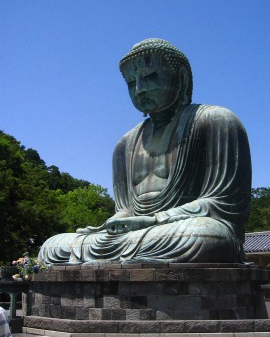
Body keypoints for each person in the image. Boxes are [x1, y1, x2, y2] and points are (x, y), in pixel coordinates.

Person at [39, 38, 251, 265]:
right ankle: (129, 257)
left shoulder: (215, 120)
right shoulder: (125, 144)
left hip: (184, 229)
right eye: (131, 82)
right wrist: (114, 224)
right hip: (139, 236)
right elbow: (125, 209)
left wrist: (154, 220)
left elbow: (224, 204)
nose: (140, 89)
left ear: (181, 78)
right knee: (53, 246)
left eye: (150, 77)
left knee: (207, 236)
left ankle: (129, 257)